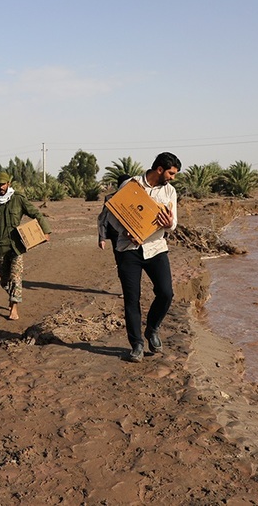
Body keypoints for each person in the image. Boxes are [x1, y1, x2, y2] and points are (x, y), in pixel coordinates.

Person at [108, 153, 181, 363]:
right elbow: (112, 214)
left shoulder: (170, 191)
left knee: (166, 293)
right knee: (132, 299)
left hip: (156, 248)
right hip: (129, 250)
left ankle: (152, 328)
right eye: (171, 173)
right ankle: (137, 345)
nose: (173, 177)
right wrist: (124, 231)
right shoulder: (131, 185)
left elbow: (173, 223)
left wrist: (169, 224)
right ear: (160, 169)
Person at [0, 171, 51, 320]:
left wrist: (45, 230)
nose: (1, 187)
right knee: (4, 279)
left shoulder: (18, 199)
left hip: (17, 246)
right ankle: (12, 295)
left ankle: (14, 307)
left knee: (16, 276)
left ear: (8, 184)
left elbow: (35, 213)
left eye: (3, 184)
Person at [97, 174, 132, 251]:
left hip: (132, 235)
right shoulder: (110, 199)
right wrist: (102, 238)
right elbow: (104, 219)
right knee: (120, 258)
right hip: (116, 234)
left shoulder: (136, 198)